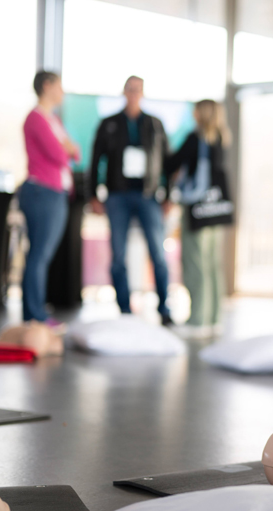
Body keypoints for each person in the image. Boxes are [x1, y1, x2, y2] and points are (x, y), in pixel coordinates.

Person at [89, 76, 173, 325]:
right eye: (130, 89)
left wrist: (168, 195)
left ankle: (164, 307)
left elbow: (167, 162)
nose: (134, 94)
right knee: (118, 255)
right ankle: (124, 309)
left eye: (138, 90)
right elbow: (96, 160)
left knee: (158, 253)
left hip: (148, 196)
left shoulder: (155, 124)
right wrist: (93, 194)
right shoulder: (109, 124)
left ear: (142, 93)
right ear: (124, 92)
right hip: (118, 195)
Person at [165, 100, 232, 336]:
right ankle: (213, 318)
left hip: (198, 209)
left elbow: (170, 162)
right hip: (217, 209)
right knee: (212, 264)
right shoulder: (222, 139)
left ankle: (197, 321)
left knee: (195, 263)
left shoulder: (195, 138)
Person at [19, 71, 80, 326]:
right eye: (59, 86)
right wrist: (67, 148)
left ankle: (34, 314)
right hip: (42, 192)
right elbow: (59, 153)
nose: (62, 92)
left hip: (55, 193)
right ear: (47, 86)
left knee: (40, 255)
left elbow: (75, 152)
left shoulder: (53, 119)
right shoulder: (36, 118)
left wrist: (69, 149)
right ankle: (36, 315)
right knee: (39, 255)